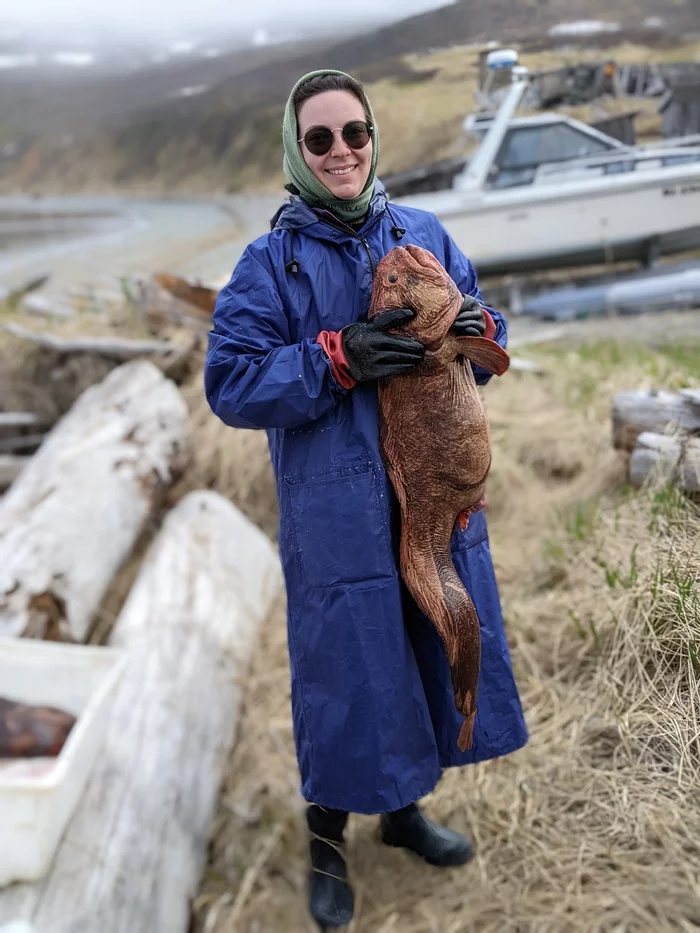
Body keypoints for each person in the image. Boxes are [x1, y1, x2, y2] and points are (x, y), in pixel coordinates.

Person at [205, 69, 528, 931]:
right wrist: (335, 356)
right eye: (321, 139)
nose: (341, 152)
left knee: (422, 651)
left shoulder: (422, 232)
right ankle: (326, 841)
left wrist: (473, 333)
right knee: (347, 676)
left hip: (430, 489)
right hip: (336, 513)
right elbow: (230, 382)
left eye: (355, 133)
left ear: (373, 138)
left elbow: (490, 320)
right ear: (296, 151)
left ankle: (403, 815)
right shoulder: (268, 264)